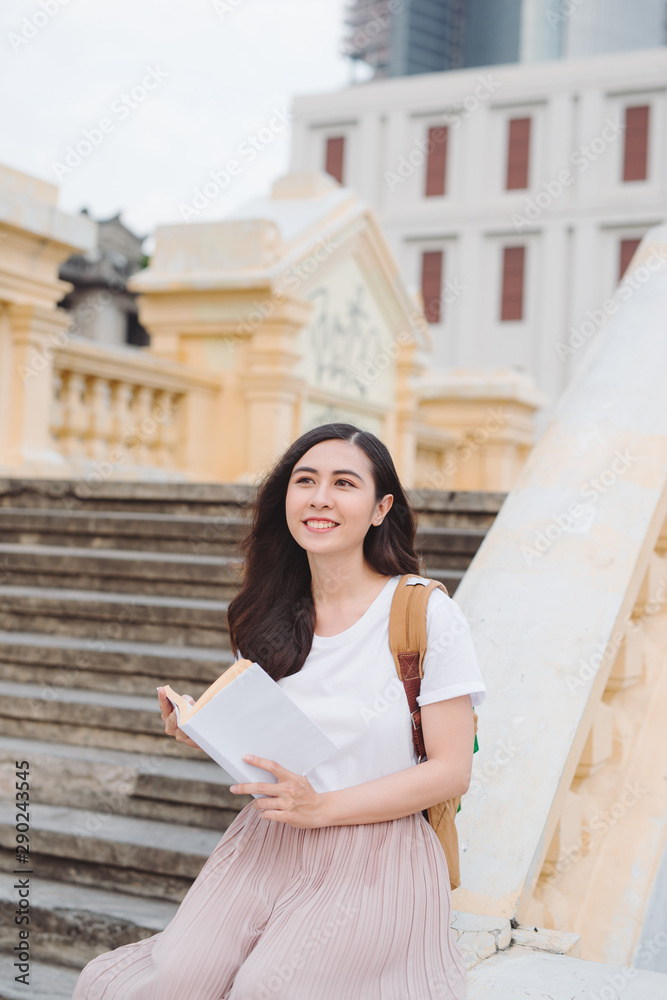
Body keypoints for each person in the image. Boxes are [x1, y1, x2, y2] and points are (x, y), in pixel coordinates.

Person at [71, 422, 486, 999]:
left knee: (269, 988)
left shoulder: (424, 613)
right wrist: (207, 731)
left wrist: (324, 807)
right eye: (305, 481)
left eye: (344, 483)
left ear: (379, 508)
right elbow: (277, 751)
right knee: (169, 983)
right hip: (271, 839)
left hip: (379, 849)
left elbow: (450, 770)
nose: (320, 497)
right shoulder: (267, 614)